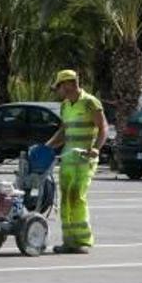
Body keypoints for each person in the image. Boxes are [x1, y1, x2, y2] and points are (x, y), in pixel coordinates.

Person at [45, 70, 108, 254]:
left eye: (60, 86)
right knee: (65, 198)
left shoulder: (90, 103)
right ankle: (68, 241)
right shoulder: (65, 106)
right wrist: (46, 147)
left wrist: (96, 148)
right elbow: (64, 131)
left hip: (84, 158)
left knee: (77, 195)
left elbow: (103, 127)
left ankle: (82, 240)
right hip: (67, 158)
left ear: (70, 84)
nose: (58, 90)